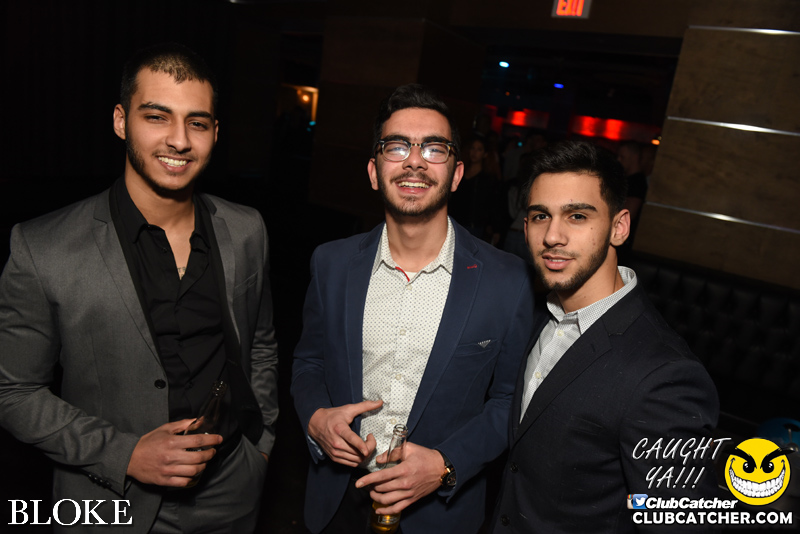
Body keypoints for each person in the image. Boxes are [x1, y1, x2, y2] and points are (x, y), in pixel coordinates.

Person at [0, 43, 278, 533]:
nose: (179, 140)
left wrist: (261, 445)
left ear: (215, 132)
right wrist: (124, 454)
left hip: (233, 487)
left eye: (197, 122)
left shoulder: (246, 229)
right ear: (120, 121)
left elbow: (260, 343)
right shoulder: (43, 247)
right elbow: (13, 391)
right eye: (156, 117)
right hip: (110, 500)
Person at [291, 84, 534, 534]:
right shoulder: (331, 263)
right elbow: (309, 363)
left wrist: (446, 464)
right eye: (397, 146)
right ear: (374, 171)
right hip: (338, 501)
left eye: (434, 148)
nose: (415, 161)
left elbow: (509, 401)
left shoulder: (507, 280)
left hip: (439, 514)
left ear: (457, 174)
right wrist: (316, 417)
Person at [491, 141, 719, 533]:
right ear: (525, 228)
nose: (553, 236)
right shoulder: (537, 313)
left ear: (619, 227)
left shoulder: (664, 375)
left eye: (577, 216)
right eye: (541, 216)